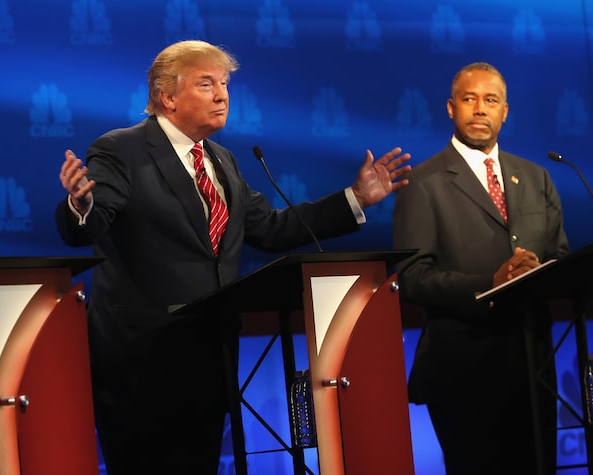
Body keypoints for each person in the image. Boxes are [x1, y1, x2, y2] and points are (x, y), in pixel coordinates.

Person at [55, 39, 410, 474]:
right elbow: (94, 219)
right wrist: (80, 205)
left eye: (223, 84)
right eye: (206, 84)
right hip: (143, 365)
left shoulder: (221, 160)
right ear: (168, 96)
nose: (222, 94)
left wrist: (354, 198)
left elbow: (272, 228)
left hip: (210, 356)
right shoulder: (120, 149)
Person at [392, 62, 570, 474]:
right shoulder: (424, 183)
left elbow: (559, 256)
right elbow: (414, 277)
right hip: (463, 370)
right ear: (450, 108)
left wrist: (539, 268)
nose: (480, 109)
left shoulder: (537, 176)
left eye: (490, 100)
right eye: (469, 99)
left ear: (505, 112)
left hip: (533, 366)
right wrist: (490, 283)